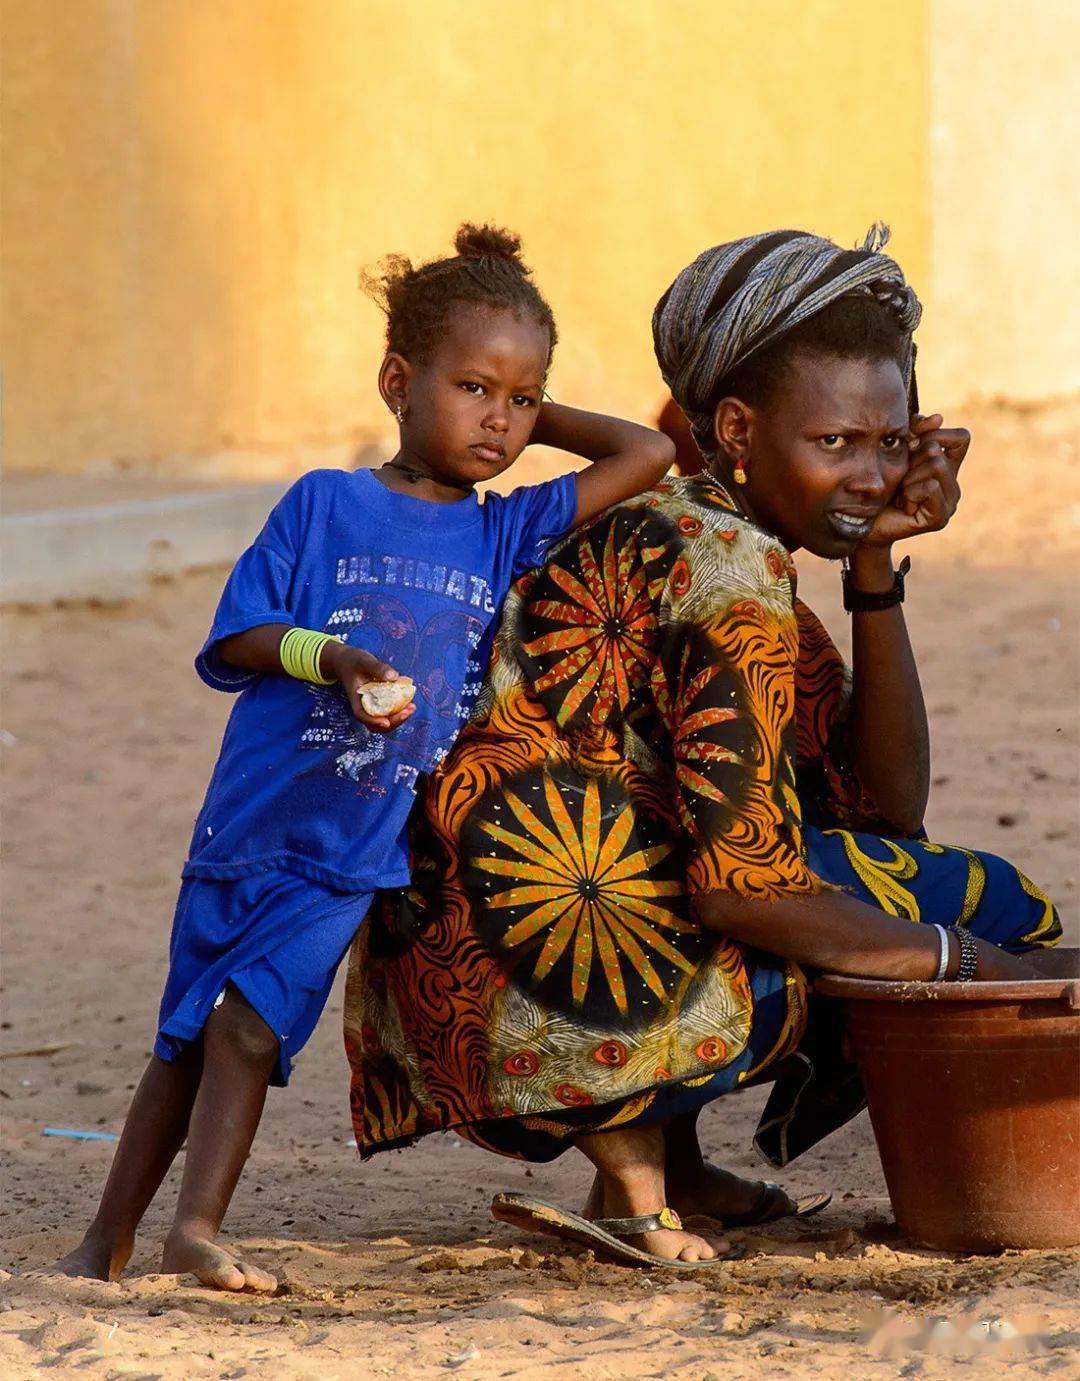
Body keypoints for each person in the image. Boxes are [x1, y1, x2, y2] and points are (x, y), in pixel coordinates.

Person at [341, 226, 1061, 1268]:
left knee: (862, 866)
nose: (869, 475)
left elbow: (880, 797)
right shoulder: (718, 566)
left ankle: (665, 1161)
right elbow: (743, 889)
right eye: (835, 443)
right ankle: (642, 1147)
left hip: (476, 976)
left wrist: (876, 572)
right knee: (990, 913)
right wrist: (978, 968)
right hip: (530, 995)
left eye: (891, 441)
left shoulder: (706, 528)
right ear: (735, 427)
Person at [60, 223, 676, 1291]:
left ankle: (192, 1227)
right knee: (182, 1035)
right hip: (250, 819)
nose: (500, 417)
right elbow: (242, 630)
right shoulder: (322, 502)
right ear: (398, 378)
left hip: (353, 844)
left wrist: (529, 418)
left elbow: (649, 453)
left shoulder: (503, 530)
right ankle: (103, 1237)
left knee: (247, 1030)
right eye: (472, 387)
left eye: (523, 398)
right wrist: (339, 657)